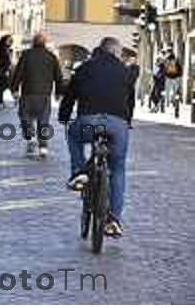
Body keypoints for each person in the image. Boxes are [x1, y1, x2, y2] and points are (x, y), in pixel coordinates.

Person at [58, 37, 137, 238]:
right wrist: (126, 122)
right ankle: (114, 220)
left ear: (100, 50)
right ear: (116, 53)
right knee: (117, 169)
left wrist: (64, 117)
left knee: (74, 136)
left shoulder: (85, 68)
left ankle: (79, 172)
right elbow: (130, 102)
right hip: (117, 127)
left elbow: (70, 96)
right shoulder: (125, 71)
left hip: (89, 124)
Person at [11, 33, 63, 159]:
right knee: (43, 121)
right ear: (44, 43)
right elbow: (58, 76)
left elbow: (18, 73)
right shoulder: (51, 57)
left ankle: (30, 139)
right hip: (44, 95)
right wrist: (58, 92)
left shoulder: (26, 55)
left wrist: (14, 89)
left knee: (25, 117)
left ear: (33, 42)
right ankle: (43, 147)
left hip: (28, 93)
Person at [0, 34, 13, 108]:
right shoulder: (2, 49)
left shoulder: (8, 49)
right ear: (4, 41)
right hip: (3, 69)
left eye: (11, 40)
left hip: (5, 69)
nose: (10, 41)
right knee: (4, 84)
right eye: (9, 40)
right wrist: (3, 69)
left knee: (4, 84)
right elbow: (2, 60)